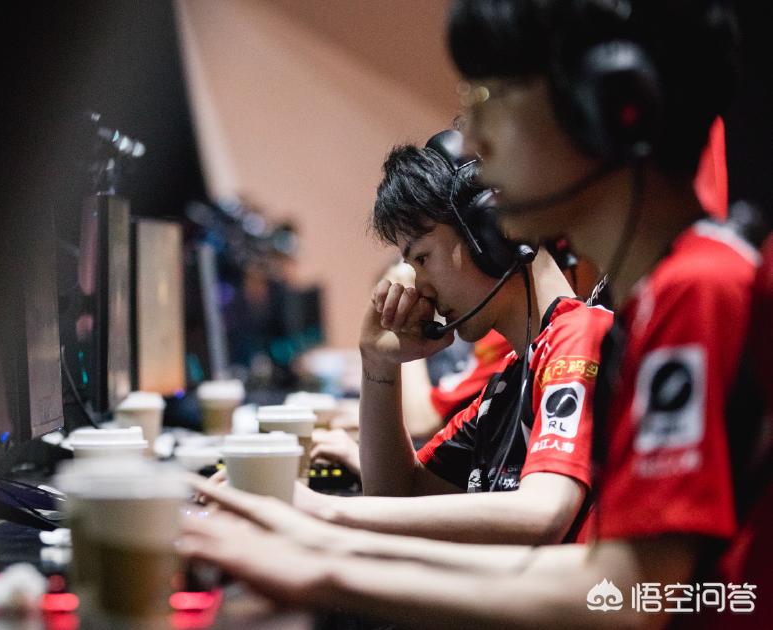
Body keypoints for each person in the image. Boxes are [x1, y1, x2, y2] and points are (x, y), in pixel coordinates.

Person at [182, 1, 766, 627]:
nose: (479, 142)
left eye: (497, 99)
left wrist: (325, 550)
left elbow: (627, 595)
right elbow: (593, 570)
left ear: (607, 106)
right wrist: (322, 543)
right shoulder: (646, 307)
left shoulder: (698, 288)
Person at [288, 138, 613, 546]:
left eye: (422, 258)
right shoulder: (509, 385)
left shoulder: (580, 334)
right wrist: (378, 365)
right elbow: (396, 493)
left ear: (494, 231)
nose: (419, 287)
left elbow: (544, 513)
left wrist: (321, 510)